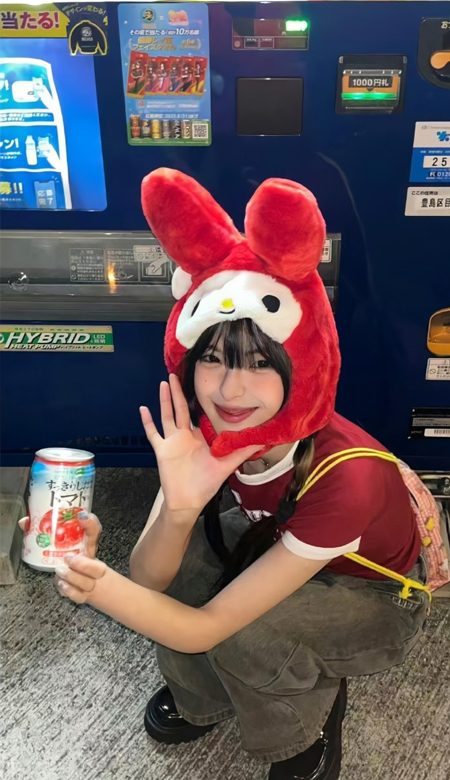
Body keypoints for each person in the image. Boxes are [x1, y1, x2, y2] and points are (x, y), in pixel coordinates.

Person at [19, 170, 430, 780]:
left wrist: (96, 587)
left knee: (248, 638)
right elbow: (151, 579)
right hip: (274, 536)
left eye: (260, 364)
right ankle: (201, 699)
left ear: (302, 362)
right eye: (212, 358)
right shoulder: (207, 431)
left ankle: (302, 731)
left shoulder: (349, 478)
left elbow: (203, 628)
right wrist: (179, 509)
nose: (230, 391)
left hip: (370, 590)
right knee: (184, 570)